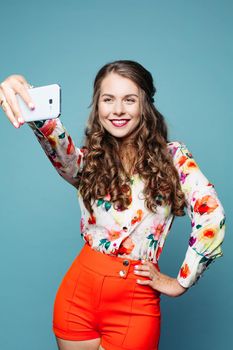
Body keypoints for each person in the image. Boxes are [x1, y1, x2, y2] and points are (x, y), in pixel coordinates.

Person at [0, 60, 226, 350]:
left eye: (129, 100)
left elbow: (212, 214)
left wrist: (181, 282)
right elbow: (59, 147)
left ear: (145, 105)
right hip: (78, 296)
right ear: (98, 106)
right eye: (108, 99)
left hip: (135, 302)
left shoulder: (174, 159)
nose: (117, 110)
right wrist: (25, 94)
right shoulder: (90, 161)